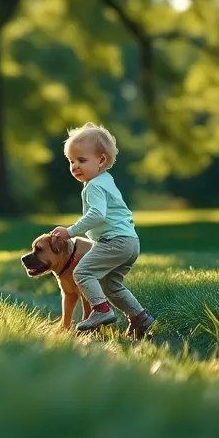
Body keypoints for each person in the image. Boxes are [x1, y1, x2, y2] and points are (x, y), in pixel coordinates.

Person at [49, 123, 156, 336]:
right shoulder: (105, 180)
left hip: (114, 241)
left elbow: (97, 215)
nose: (74, 166)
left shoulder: (95, 185)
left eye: (82, 160)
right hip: (129, 242)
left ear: (101, 160)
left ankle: (101, 310)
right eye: (71, 161)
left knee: (82, 272)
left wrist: (69, 232)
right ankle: (140, 318)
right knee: (111, 286)